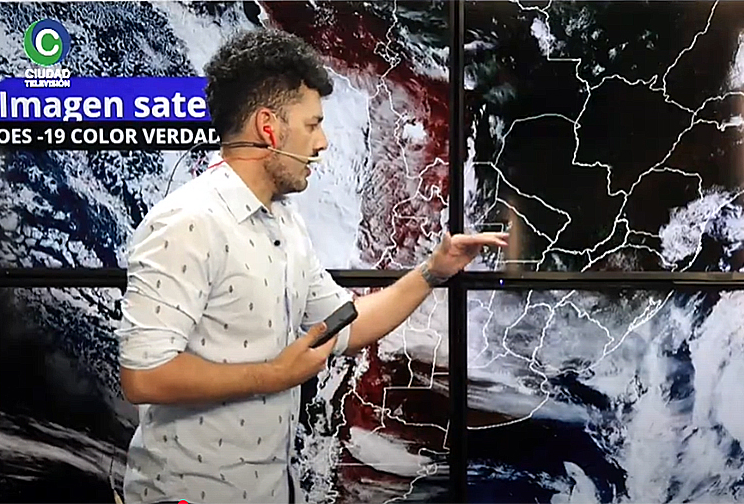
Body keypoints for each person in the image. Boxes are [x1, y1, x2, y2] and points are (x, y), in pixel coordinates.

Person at [115, 28, 508, 504]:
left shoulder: (284, 223)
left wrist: (433, 271)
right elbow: (145, 376)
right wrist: (272, 375)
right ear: (268, 127)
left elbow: (345, 325)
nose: (321, 143)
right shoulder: (187, 223)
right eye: (312, 124)